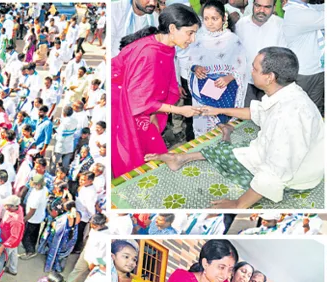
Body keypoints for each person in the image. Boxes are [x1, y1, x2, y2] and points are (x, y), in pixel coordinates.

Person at [148, 47, 324, 209]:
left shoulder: (291, 115)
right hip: (273, 156)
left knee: (237, 161)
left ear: (269, 77)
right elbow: (256, 111)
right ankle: (182, 158)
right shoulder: (286, 93)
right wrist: (217, 110)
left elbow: (275, 172)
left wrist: (239, 204)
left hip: (295, 178)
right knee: (236, 150)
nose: (251, 71)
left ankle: (191, 154)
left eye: (255, 69)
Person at [111, 4, 201, 178]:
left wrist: (153, 112)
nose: (193, 39)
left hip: (139, 107)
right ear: (173, 28)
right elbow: (139, 101)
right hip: (122, 108)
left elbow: (154, 88)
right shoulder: (150, 54)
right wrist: (179, 110)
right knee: (135, 160)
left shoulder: (165, 44)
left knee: (152, 151)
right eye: (190, 33)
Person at [178, 1, 250, 136]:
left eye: (214, 18)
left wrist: (229, 77)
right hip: (203, 90)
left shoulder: (233, 40)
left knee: (224, 124)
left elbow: (242, 67)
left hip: (227, 90)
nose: (210, 23)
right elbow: (190, 62)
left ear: (224, 18)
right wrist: (195, 68)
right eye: (206, 19)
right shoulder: (197, 38)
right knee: (206, 124)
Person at [235, 0, 287, 107]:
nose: (261, 10)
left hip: (270, 84)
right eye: (258, 6)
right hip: (246, 83)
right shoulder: (240, 25)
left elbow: (283, 56)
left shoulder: (281, 25)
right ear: (252, 4)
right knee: (247, 118)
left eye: (267, 7)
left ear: (274, 7)